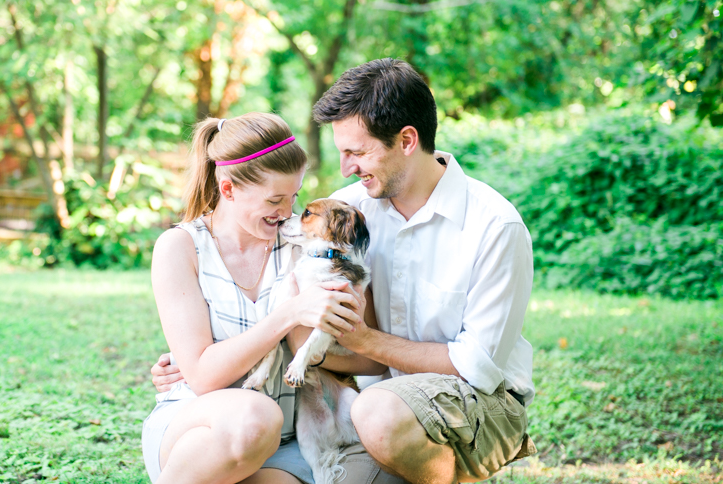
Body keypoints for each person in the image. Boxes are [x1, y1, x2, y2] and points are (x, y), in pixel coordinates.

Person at [153, 59, 536, 484]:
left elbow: (475, 367)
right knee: (323, 436)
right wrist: (193, 362)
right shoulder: (340, 214)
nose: (344, 168)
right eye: (341, 151)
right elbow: (292, 332)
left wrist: (358, 340)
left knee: (373, 421)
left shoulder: (493, 226)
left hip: (448, 401)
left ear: (407, 140)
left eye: (356, 151)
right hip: (333, 410)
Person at [142, 112, 404, 484]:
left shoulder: (308, 244)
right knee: (254, 418)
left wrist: (316, 337)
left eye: (294, 197)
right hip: (200, 430)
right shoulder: (181, 247)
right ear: (229, 189)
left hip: (286, 441)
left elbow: (369, 360)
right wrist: (291, 313)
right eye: (275, 200)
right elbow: (202, 376)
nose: (287, 214)